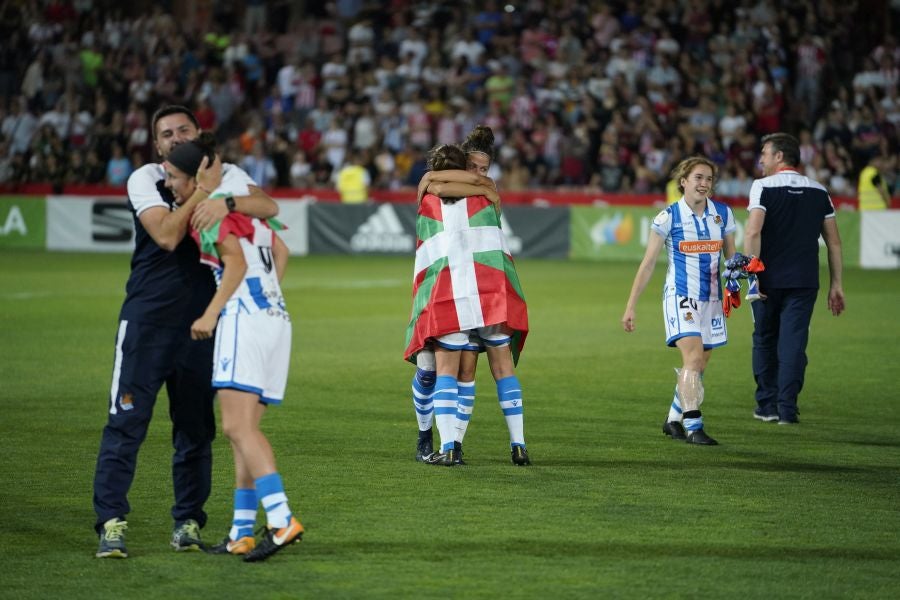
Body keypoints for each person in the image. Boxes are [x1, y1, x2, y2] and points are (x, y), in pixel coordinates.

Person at [92, 105, 279, 559]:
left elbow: (268, 207)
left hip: (203, 326)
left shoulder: (228, 174)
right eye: (167, 134)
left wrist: (225, 198)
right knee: (126, 423)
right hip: (147, 322)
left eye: (184, 130)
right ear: (157, 145)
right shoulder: (146, 179)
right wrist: (204, 193)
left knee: (195, 430)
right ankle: (111, 522)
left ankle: (188, 521)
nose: (176, 138)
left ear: (199, 135)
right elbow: (168, 237)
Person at [163, 134, 303, 562]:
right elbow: (282, 251)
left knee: (237, 429)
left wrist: (211, 313)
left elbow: (237, 264)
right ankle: (242, 531)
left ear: (193, 176)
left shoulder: (205, 212)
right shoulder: (240, 202)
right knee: (244, 432)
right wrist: (268, 298)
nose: (169, 184)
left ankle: (281, 520)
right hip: (276, 319)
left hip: (244, 319)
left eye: (172, 177)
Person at [404, 143, 531, 467]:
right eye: (472, 167)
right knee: (442, 369)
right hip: (487, 294)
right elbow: (458, 184)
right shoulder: (484, 194)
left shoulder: (434, 191)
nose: (477, 174)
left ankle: (452, 444)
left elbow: (440, 184)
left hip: (449, 295)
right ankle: (428, 437)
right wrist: (476, 183)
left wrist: (435, 178)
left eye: (483, 169)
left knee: (450, 370)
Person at [622, 156, 737, 445]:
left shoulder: (723, 214)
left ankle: (673, 418)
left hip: (711, 298)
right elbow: (648, 264)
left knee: (700, 364)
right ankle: (694, 426)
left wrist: (742, 278)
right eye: (698, 177)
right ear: (683, 182)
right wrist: (631, 305)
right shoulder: (668, 217)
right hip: (681, 296)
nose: (704, 184)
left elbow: (732, 259)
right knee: (693, 358)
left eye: (708, 179)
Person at [743, 132, 845, 425]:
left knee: (764, 339)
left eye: (764, 153)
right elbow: (834, 242)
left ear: (779, 156)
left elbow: (752, 232)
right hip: (804, 280)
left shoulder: (762, 187)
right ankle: (787, 409)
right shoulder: (819, 190)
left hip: (767, 280)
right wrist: (836, 284)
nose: (761, 158)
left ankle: (766, 406)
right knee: (794, 343)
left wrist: (753, 275)